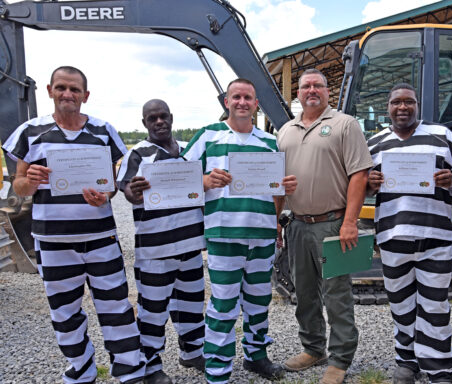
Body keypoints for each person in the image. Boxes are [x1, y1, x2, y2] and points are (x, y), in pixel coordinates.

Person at [2, 66, 145, 384]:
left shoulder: (103, 130)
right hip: (53, 241)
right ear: (50, 90)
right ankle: (81, 367)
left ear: (86, 95)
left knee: (116, 304)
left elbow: (108, 184)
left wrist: (103, 195)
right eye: (62, 87)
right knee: (64, 310)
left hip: (100, 237)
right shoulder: (30, 132)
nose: (68, 94)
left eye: (75, 89)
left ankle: (127, 366)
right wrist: (31, 181)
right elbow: (20, 185)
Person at [180, 78, 297, 384]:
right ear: (226, 102)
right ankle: (218, 369)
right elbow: (178, 177)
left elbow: (276, 191)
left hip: (260, 234)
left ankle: (256, 356)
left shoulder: (269, 143)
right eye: (237, 97)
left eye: (248, 97)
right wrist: (205, 182)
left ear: (256, 104)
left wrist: (276, 218)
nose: (242, 102)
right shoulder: (209, 136)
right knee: (223, 301)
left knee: (258, 300)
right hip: (224, 233)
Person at [366, 83, 452, 384]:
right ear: (387, 107)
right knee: (401, 303)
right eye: (396, 102)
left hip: (435, 233)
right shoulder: (375, 144)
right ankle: (407, 361)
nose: (402, 107)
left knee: (435, 302)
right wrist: (372, 182)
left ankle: (439, 367)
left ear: (417, 105)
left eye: (408, 102)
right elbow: (364, 184)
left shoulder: (442, 136)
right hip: (392, 234)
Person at [277, 68, 373, 384]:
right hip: (298, 225)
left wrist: (349, 222)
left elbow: (359, 174)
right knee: (304, 293)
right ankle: (313, 348)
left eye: (318, 84)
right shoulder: (286, 130)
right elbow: (277, 183)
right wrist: (279, 222)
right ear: (298, 94)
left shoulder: (344, 124)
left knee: (337, 295)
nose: (312, 89)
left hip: (333, 224)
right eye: (306, 86)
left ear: (327, 91)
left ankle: (341, 358)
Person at [116, 100, 206, 384]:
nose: (159, 121)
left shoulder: (188, 151)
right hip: (156, 249)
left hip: (191, 244)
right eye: (152, 118)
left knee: (191, 304)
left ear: (171, 117)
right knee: (153, 310)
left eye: (163, 116)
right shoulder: (138, 154)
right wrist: (136, 191)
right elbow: (128, 190)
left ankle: (193, 351)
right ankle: (152, 364)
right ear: (144, 122)